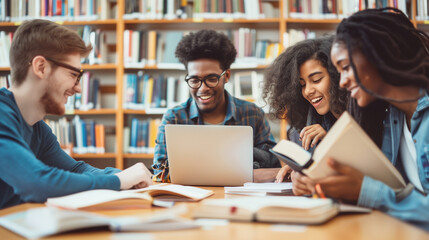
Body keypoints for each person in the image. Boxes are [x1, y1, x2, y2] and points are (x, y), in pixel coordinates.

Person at [295, 8, 429, 229]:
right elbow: (395, 191)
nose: (342, 82)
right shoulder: (391, 117)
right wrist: (324, 183)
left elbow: (382, 194)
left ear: (380, 53)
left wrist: (366, 191)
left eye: (346, 68)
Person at [0, 19, 152, 209]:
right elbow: (36, 183)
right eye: (74, 75)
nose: (79, 88)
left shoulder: (38, 127)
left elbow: (75, 169)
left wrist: (127, 176)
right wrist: (118, 181)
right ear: (41, 67)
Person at [152, 29, 280, 183]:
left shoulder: (252, 113)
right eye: (194, 80)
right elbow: (159, 173)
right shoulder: (174, 117)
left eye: (211, 78)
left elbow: (274, 165)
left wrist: (231, 155)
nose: (202, 88)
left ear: (226, 76)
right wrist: (241, 170)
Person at [262, 36, 348, 184]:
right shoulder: (310, 121)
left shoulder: (361, 116)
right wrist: (299, 168)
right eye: (302, 84)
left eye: (316, 80)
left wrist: (329, 140)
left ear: (337, 76)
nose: (308, 91)